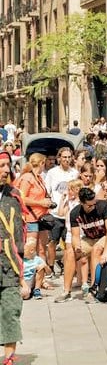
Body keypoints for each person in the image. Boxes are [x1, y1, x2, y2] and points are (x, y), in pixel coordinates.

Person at [56, 187, 107, 303]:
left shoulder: (103, 205)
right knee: (69, 253)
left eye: (94, 204)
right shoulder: (75, 213)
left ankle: (94, 289)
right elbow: (75, 236)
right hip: (89, 238)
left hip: (106, 237)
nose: (93, 207)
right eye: (89, 205)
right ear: (81, 203)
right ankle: (66, 291)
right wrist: (77, 247)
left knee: (96, 250)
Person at [0, 152, 24, 365]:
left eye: (8, 165)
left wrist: (21, 263)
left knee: (10, 308)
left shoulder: (13, 195)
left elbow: (19, 231)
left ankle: (9, 358)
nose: (6, 170)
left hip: (9, 263)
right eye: (1, 165)